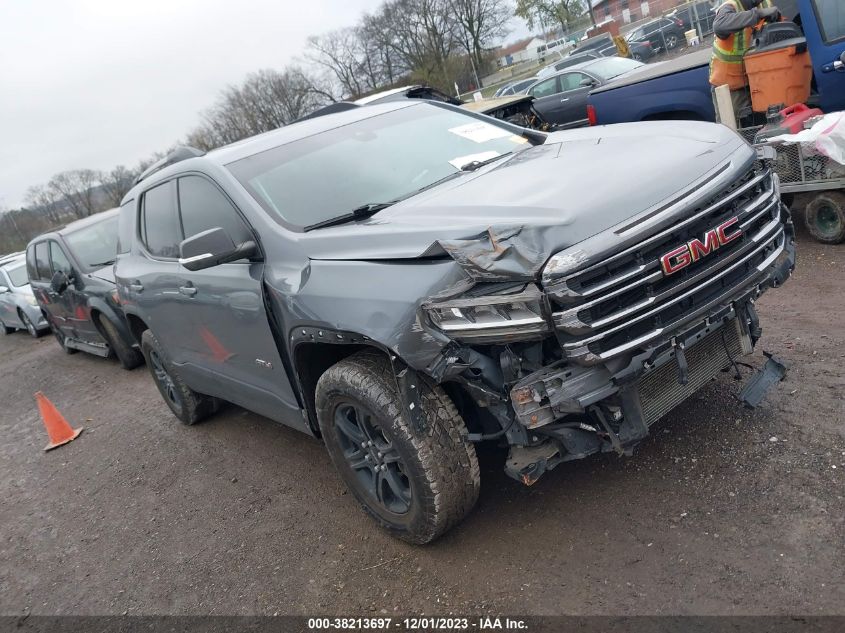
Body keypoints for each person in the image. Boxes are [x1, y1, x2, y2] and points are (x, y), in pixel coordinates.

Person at [709, 0, 781, 124]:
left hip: (755, 82)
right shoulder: (731, 5)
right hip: (729, 87)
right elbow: (719, 25)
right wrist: (758, 14)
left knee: (763, 126)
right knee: (732, 131)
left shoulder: (764, 4)